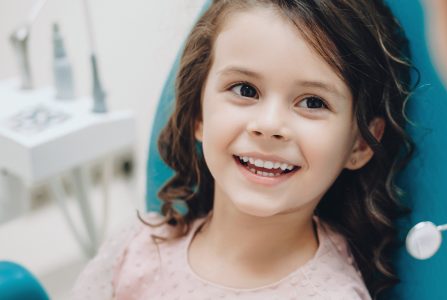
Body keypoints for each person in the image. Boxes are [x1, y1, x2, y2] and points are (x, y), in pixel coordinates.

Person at [70, 0, 415, 299]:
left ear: (358, 143)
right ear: (198, 113)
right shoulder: (136, 251)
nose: (268, 125)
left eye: (312, 101)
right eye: (245, 90)